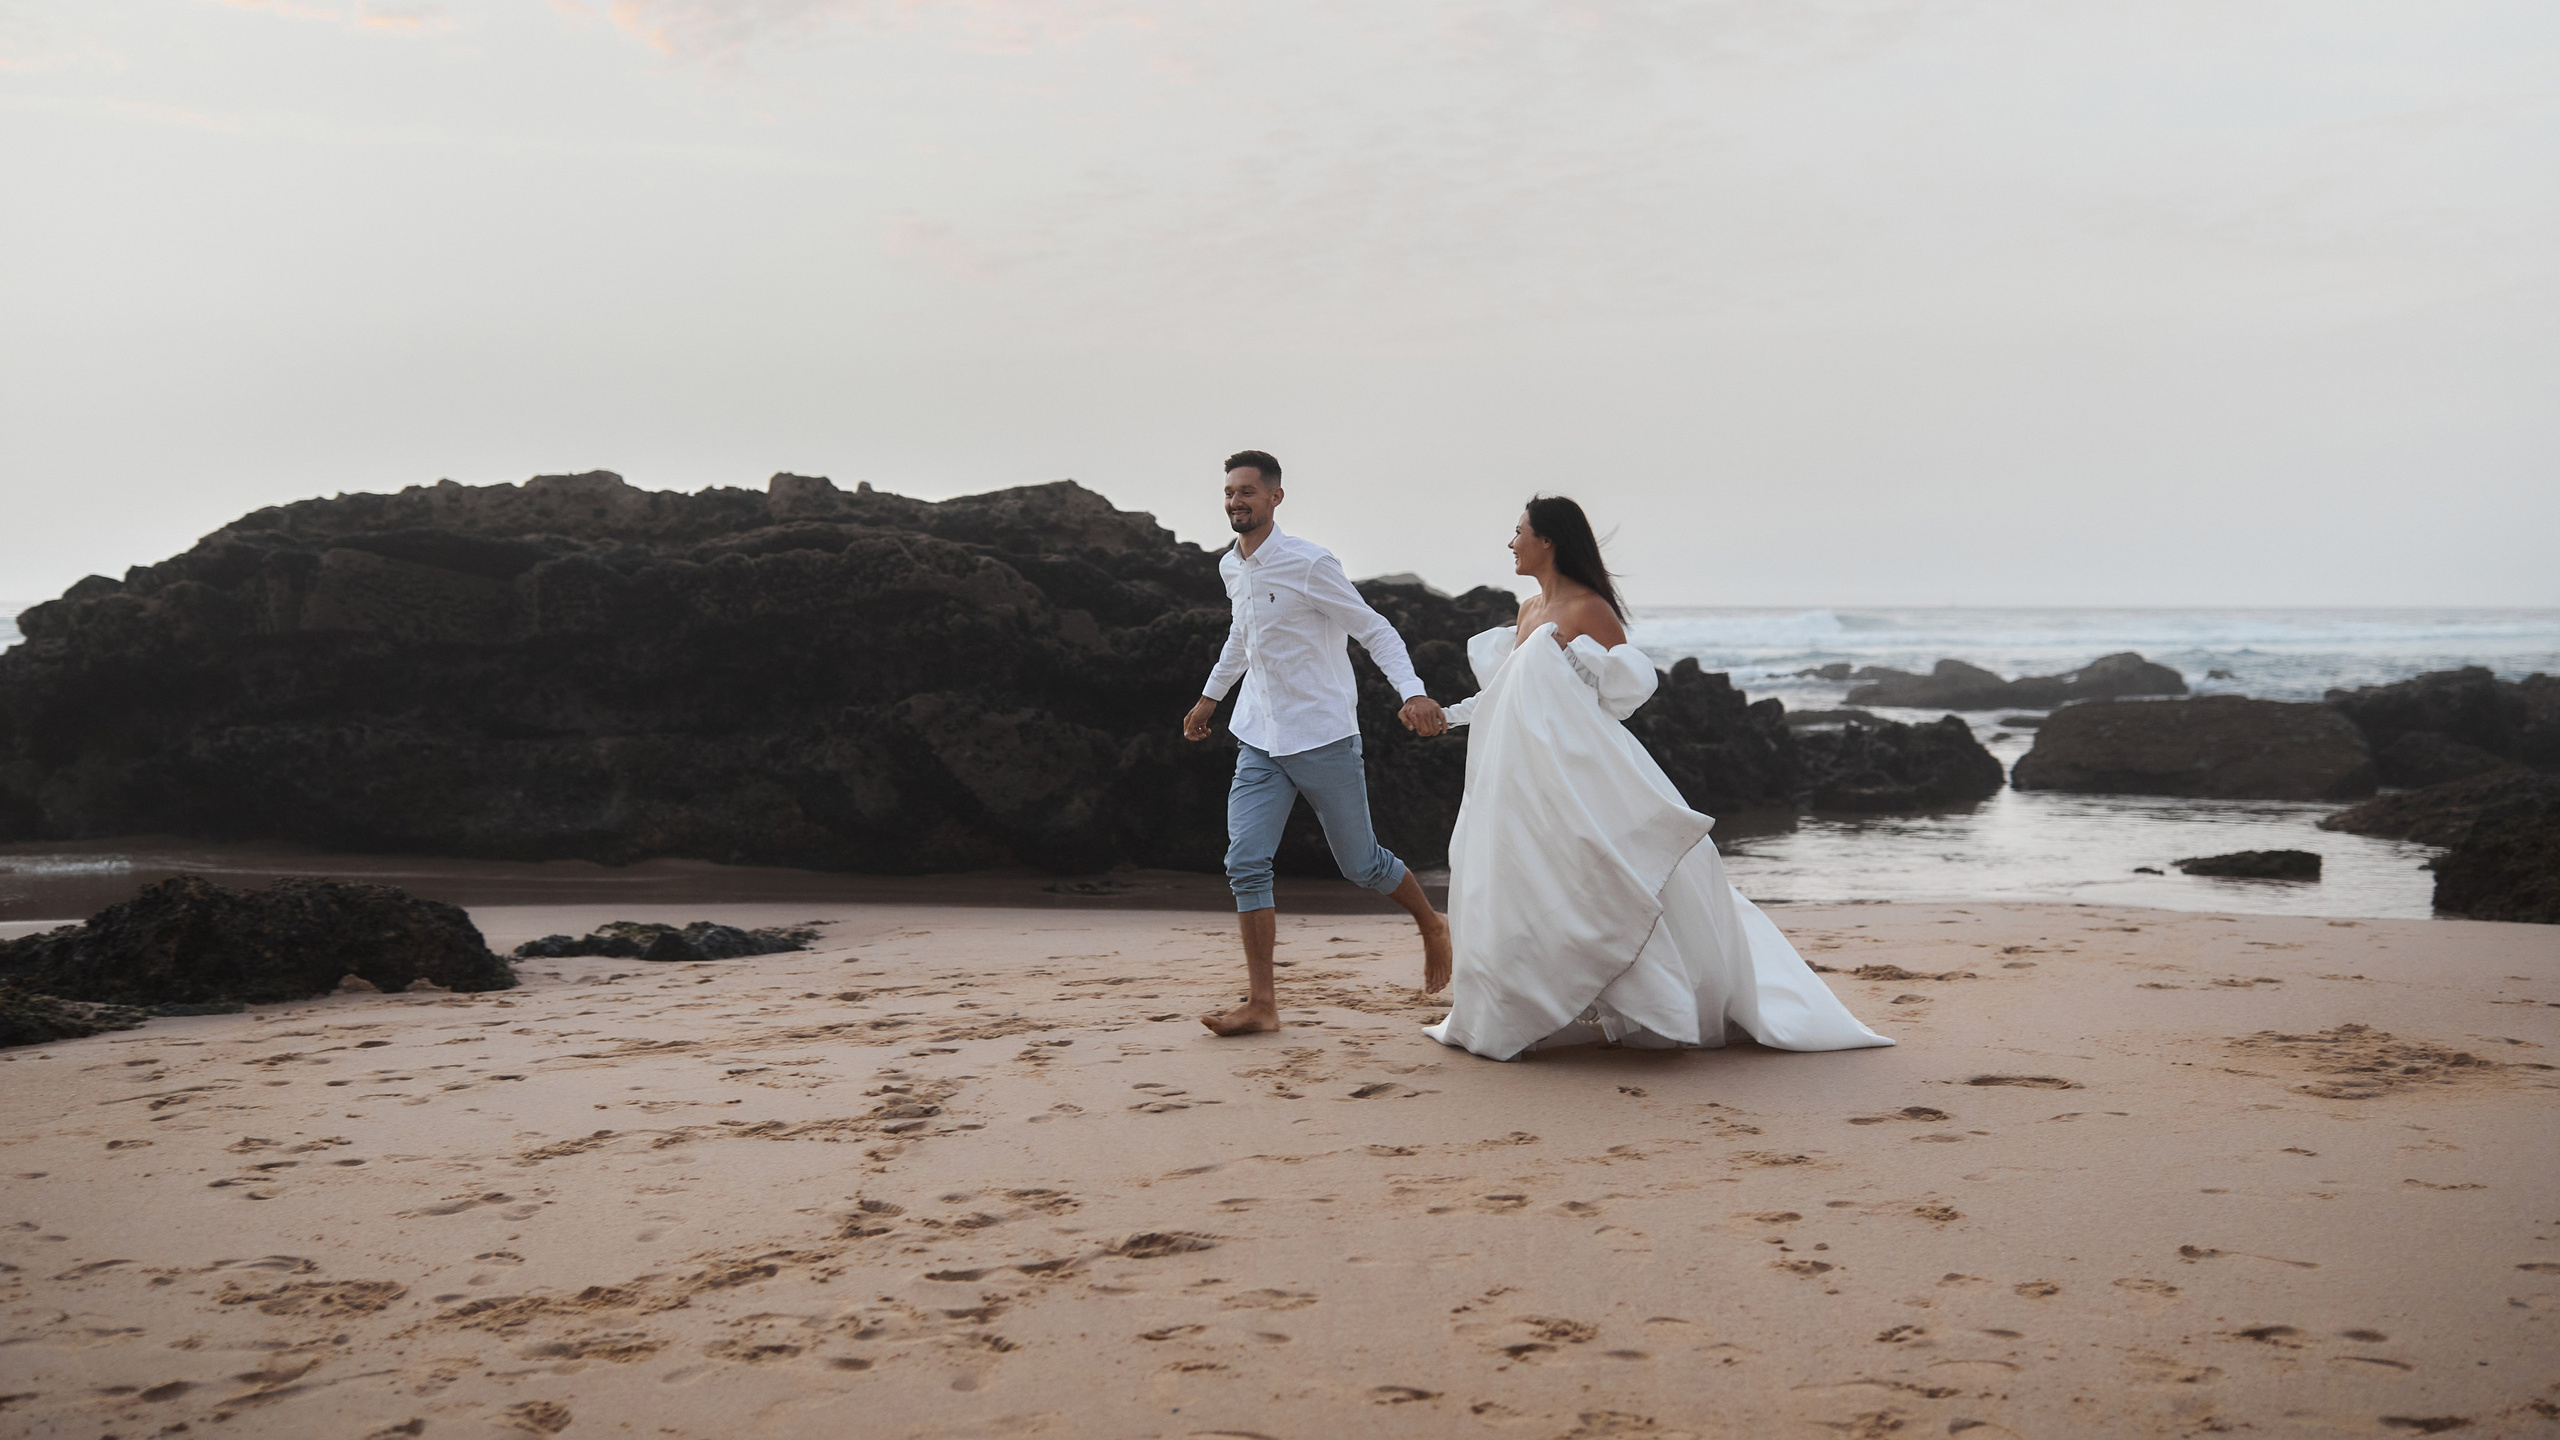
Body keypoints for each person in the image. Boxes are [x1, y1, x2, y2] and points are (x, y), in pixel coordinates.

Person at [1422, 495, 1894, 1061]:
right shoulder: (1527, 612)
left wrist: (1584, 666)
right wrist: (1446, 717)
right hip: (1519, 777)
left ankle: (1655, 1004)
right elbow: (1504, 696)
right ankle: (1520, 1008)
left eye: (1518, 531)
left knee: (1606, 878)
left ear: (1547, 541)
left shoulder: (1589, 609)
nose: (1511, 542)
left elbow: (1624, 689)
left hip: (1580, 771)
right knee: (1520, 881)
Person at [1181, 450, 1454, 1036]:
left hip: (1322, 735)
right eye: (1229, 491)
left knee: (1361, 865)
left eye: (1248, 492)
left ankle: (1432, 922)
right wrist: (1211, 697)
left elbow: (1374, 628)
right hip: (1258, 736)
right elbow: (1242, 635)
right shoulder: (1232, 567)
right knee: (1245, 861)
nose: (1236, 501)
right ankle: (1262, 1004)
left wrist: (1412, 692)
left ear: (1275, 498)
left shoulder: (1309, 564)